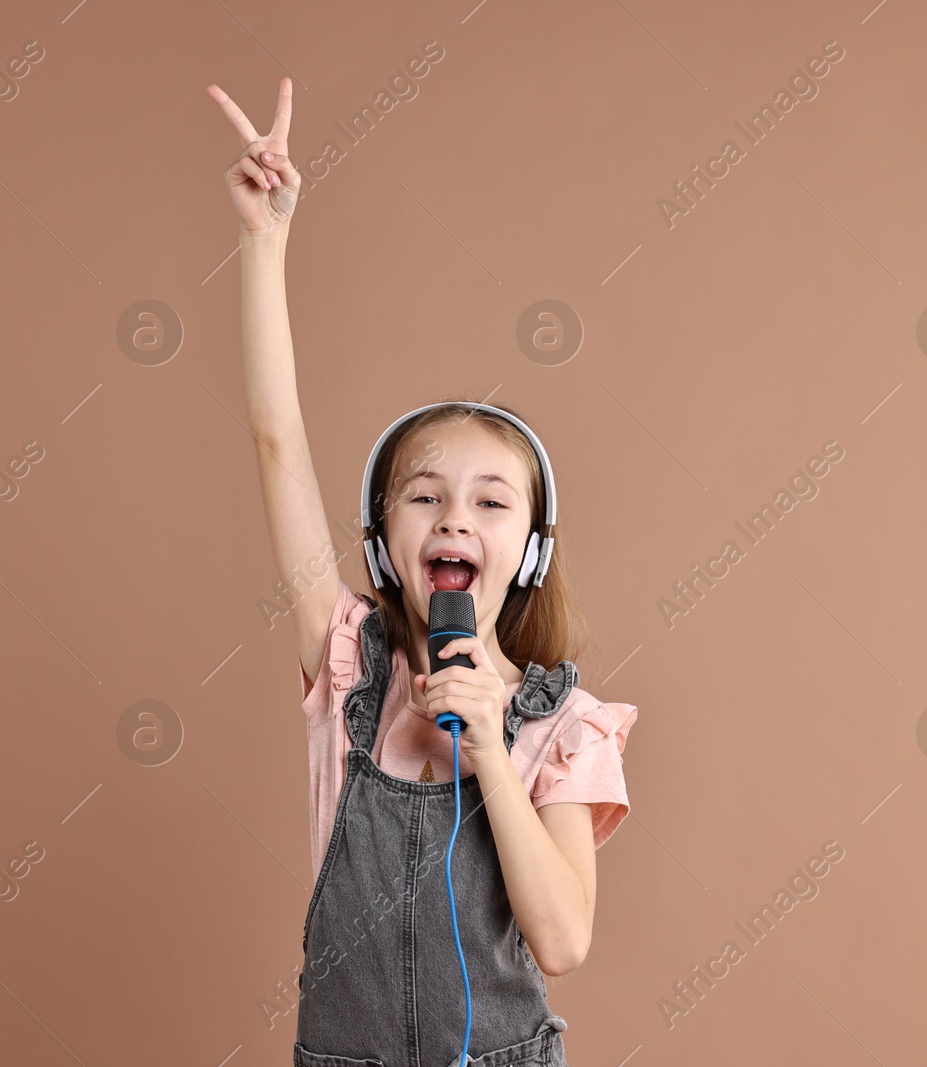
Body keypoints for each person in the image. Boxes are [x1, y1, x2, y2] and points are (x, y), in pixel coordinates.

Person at [208, 75, 637, 1067]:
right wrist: (263, 241)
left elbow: (563, 941)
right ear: (381, 538)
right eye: (424, 495)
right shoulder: (348, 660)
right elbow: (276, 439)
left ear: (527, 550)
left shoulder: (566, 729)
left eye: (491, 500)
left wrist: (491, 743)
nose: (454, 515)